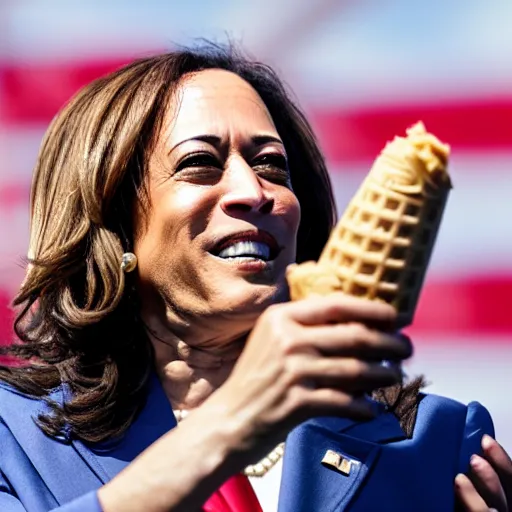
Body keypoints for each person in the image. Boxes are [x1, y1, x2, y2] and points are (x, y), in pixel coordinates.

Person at [0, 43, 510, 512]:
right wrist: (234, 422)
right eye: (200, 163)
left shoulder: (436, 441)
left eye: (272, 166)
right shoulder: (13, 438)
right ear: (113, 220)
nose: (254, 190)